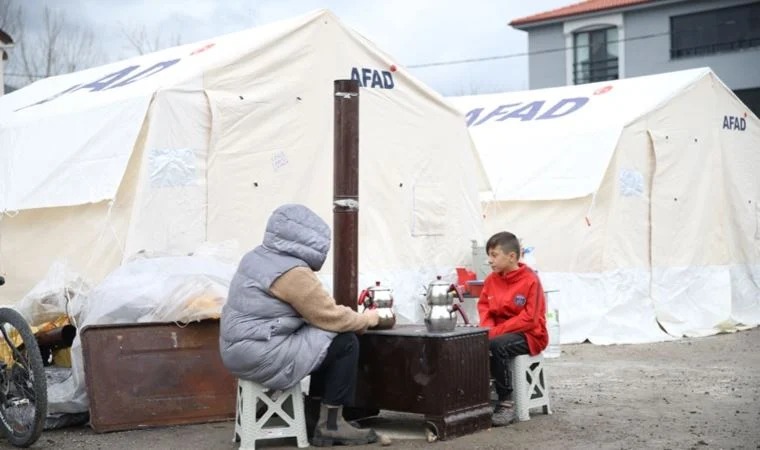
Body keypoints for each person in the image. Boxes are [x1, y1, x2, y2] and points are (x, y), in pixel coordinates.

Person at [219, 204, 380, 447]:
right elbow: (331, 316)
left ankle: (312, 414)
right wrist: (368, 319)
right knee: (343, 341)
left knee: (317, 341)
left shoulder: (256, 257)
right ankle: (332, 425)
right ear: (311, 240)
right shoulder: (292, 272)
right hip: (261, 353)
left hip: (237, 351)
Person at [477, 231, 548, 427]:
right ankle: (475, 401)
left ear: (512, 256)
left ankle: (506, 403)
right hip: (499, 333)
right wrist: (488, 329)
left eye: (494, 255)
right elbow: (485, 308)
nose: (489, 260)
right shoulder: (491, 280)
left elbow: (529, 319)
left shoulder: (530, 280)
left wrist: (496, 332)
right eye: (488, 255)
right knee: (470, 343)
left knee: (496, 345)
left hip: (531, 335)